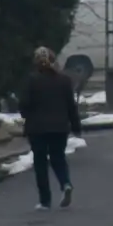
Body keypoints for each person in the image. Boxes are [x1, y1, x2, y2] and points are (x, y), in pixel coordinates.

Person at [18, 45, 81, 210]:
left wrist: (26, 115)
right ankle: (65, 183)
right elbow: (71, 106)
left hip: (37, 128)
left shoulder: (31, 80)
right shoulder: (64, 80)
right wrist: (76, 126)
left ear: (35, 63)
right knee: (58, 157)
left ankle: (45, 201)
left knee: (40, 163)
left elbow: (24, 104)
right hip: (60, 127)